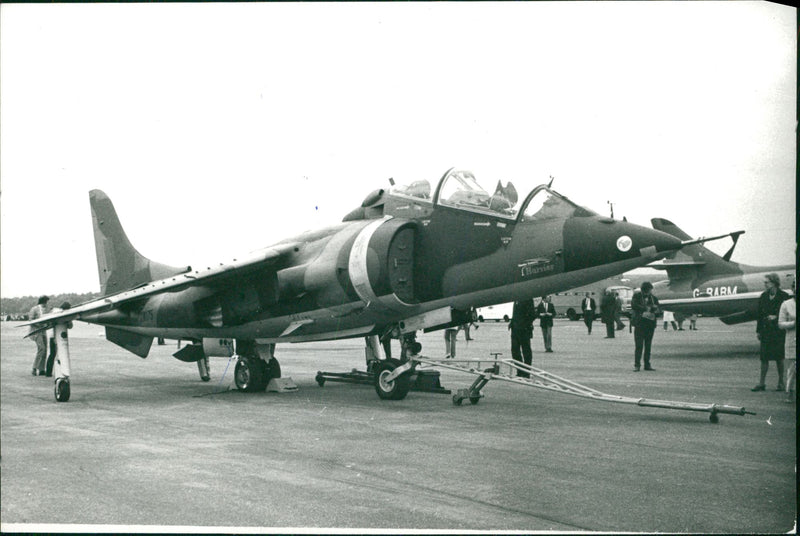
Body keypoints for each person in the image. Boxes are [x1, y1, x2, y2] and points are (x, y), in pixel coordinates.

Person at [752, 273, 790, 391]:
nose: (764, 284)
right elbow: (759, 315)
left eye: (766, 282)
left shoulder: (784, 296)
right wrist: (758, 331)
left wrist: (776, 317)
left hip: (778, 331)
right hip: (766, 331)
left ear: (773, 283)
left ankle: (781, 383)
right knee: (764, 358)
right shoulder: (763, 296)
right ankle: (761, 383)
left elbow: (789, 313)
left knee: (779, 358)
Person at [631, 282, 659, 371]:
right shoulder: (637, 297)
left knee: (648, 346)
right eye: (647, 291)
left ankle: (647, 364)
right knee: (639, 346)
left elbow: (659, 309)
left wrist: (655, 310)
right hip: (639, 323)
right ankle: (637, 365)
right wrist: (646, 308)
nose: (648, 292)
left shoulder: (653, 298)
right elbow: (634, 305)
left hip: (650, 324)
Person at [777, 281, 796, 402]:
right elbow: (780, 324)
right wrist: (793, 323)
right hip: (792, 340)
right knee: (792, 369)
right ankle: (790, 393)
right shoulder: (786, 304)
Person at [509, 298, 536, 377]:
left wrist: (525, 324)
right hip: (515, 328)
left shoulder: (528, 299)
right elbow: (515, 313)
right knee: (515, 351)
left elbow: (532, 315)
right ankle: (520, 370)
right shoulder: (516, 299)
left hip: (524, 329)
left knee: (526, 351)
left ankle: (526, 372)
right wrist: (512, 322)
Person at [25, 296, 49, 376]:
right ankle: (34, 368)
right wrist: (39, 325)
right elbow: (31, 320)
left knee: (45, 350)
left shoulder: (45, 310)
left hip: (43, 331)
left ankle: (42, 369)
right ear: (43, 302)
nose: (46, 304)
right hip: (36, 331)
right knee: (41, 348)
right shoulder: (34, 309)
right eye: (46, 302)